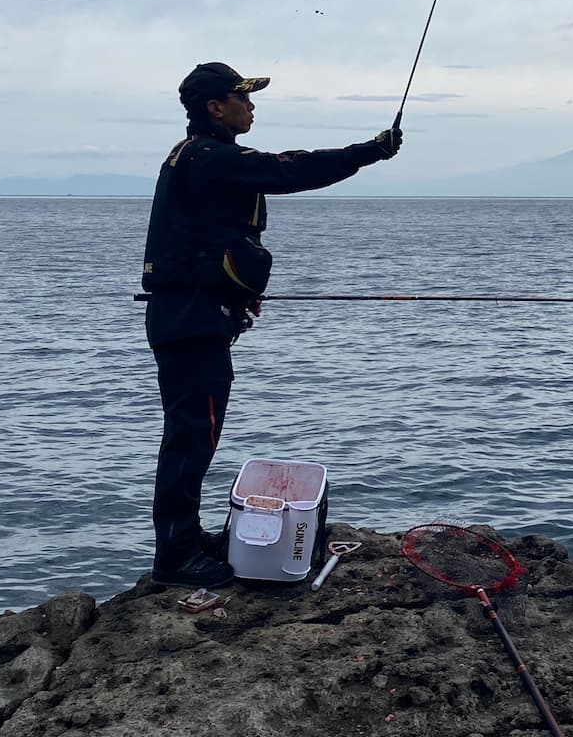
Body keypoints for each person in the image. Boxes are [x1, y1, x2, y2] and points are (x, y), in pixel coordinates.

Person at [139, 61, 403, 588]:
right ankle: (174, 557)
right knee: (191, 438)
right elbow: (290, 170)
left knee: (194, 435)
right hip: (190, 320)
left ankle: (185, 539)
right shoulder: (212, 158)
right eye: (243, 98)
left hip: (191, 315)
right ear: (216, 108)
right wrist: (370, 151)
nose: (252, 106)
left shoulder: (198, 157)